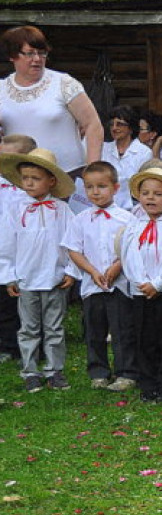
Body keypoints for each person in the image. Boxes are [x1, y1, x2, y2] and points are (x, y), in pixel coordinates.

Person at [0, 147, 75, 392]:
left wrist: (71, 270)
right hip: (26, 278)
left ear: (51, 181)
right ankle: (30, 370)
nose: (29, 183)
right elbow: (6, 243)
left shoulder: (62, 211)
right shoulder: (15, 209)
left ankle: (54, 370)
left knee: (54, 327)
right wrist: (9, 274)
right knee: (29, 328)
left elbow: (73, 242)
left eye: (36, 178)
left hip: (54, 277)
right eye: (25, 178)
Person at [62, 161, 137, 392]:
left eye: (102, 186)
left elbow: (132, 247)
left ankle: (126, 372)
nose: (95, 192)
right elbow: (73, 249)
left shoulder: (127, 218)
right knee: (94, 330)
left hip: (119, 285)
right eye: (90, 187)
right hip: (92, 285)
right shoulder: (80, 219)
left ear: (115, 188)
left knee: (122, 329)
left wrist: (117, 267)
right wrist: (92, 271)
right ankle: (98, 372)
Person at [120, 167, 162, 403]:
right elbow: (128, 256)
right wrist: (141, 282)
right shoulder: (134, 226)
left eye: (158, 194)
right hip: (142, 292)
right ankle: (148, 381)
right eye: (146, 193)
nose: (151, 198)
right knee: (144, 338)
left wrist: (158, 283)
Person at [0, 25, 103, 172]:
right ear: (12, 56)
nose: (37, 59)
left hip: (68, 175)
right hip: (19, 178)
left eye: (42, 53)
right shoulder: (1, 89)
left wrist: (93, 171)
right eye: (29, 54)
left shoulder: (64, 83)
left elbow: (93, 125)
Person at [0, 133, 35, 365]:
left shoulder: (29, 189)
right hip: (2, 251)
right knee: (3, 302)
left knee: (25, 303)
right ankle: (5, 345)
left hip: (26, 253)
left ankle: (28, 342)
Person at [102, 105, 152, 210]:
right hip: (104, 204)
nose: (114, 128)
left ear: (131, 128)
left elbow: (143, 184)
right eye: (112, 124)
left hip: (133, 208)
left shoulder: (144, 152)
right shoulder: (103, 149)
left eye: (119, 124)